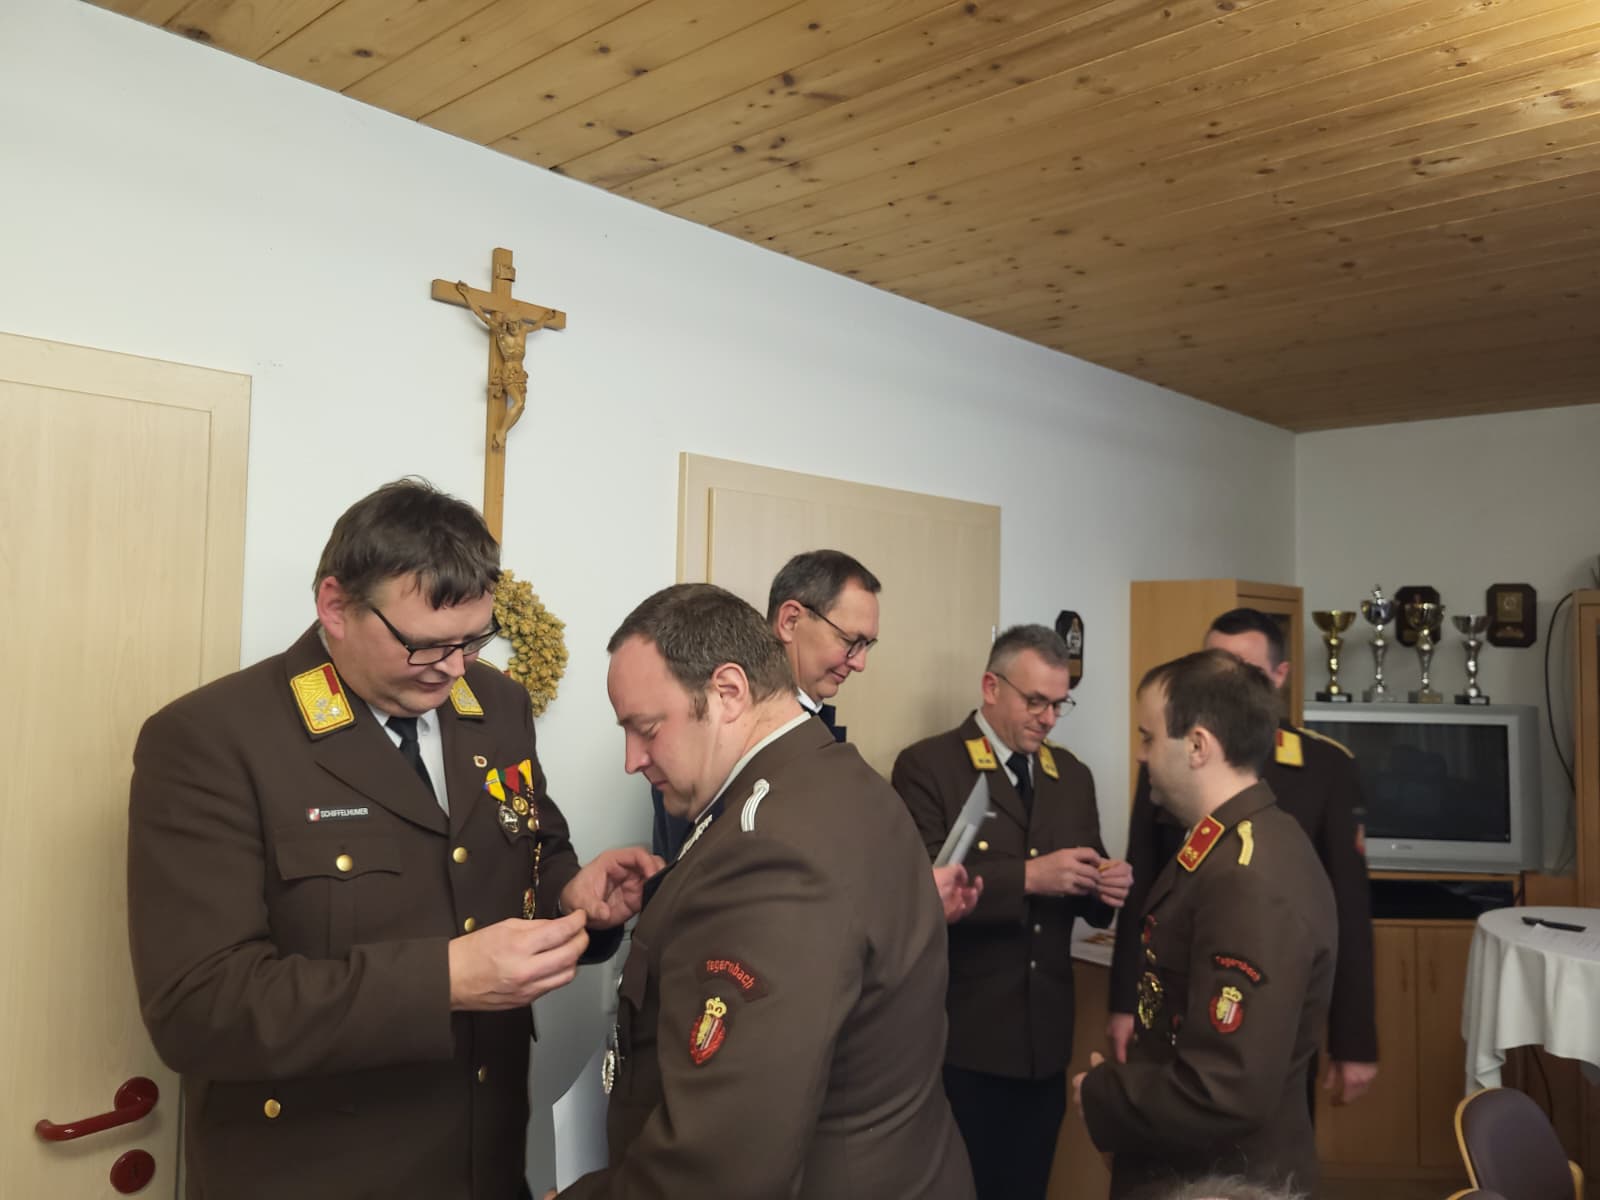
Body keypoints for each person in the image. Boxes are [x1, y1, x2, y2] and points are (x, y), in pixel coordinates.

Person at [127, 478, 659, 1200]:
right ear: (335, 606)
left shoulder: (495, 705)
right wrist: (443, 980)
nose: (455, 667)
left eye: (473, 640)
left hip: (484, 1162)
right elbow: (199, 1010)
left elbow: (527, 847)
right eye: (426, 645)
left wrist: (573, 895)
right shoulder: (213, 739)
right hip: (317, 1174)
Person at [561, 583, 975, 1198]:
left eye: (646, 729)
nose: (633, 759)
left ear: (728, 692)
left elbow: (723, 1164)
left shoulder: (769, 850)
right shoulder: (833, 777)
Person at [1074, 650, 1337, 1199]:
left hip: (1219, 1181)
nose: (1141, 754)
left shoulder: (1246, 875)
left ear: (1197, 746)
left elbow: (1225, 1089)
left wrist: (1104, 1094)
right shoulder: (1230, 843)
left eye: (1148, 737)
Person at [891, 624, 1132, 1200]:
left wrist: (1105, 885)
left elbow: (1088, 893)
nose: (1048, 719)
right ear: (991, 687)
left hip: (1043, 1042)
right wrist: (1030, 876)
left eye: (1059, 704)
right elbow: (916, 892)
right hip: (963, 1037)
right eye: (1036, 701)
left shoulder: (1071, 776)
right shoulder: (929, 766)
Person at [1108, 607, 1378, 1109]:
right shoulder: (1166, 761)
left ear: (1279, 677)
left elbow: (1347, 911)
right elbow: (1142, 885)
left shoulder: (1323, 767)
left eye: (1242, 670)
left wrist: (1354, 1038)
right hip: (1175, 1001)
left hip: (1266, 1017)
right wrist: (1126, 1000)